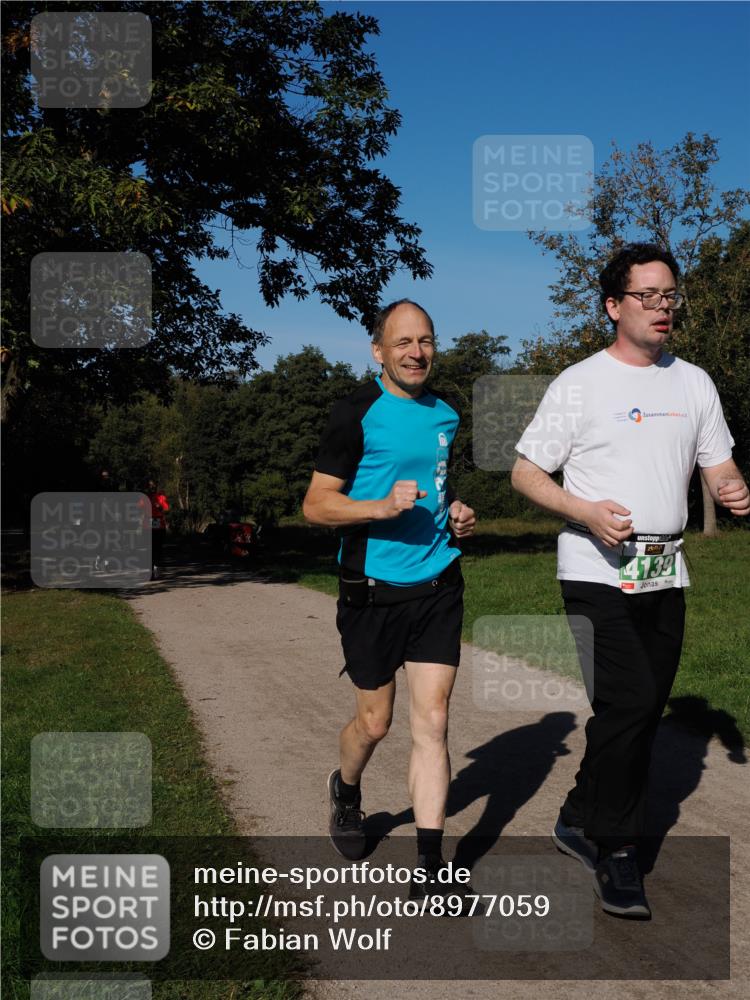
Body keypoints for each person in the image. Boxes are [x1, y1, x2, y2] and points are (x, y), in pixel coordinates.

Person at [511, 243, 749, 918]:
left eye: (669, 294)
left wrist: (732, 492)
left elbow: (718, 465)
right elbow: (526, 472)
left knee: (634, 707)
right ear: (614, 307)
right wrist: (583, 511)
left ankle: (580, 807)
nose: (661, 307)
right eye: (646, 295)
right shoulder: (579, 383)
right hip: (594, 568)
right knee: (634, 698)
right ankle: (614, 848)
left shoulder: (694, 383)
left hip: (664, 567)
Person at [303, 299, 476, 898]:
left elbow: (438, 488)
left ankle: (431, 869)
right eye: (402, 342)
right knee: (374, 724)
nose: (416, 352)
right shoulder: (356, 413)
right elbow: (316, 504)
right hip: (370, 592)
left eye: (425, 340)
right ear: (379, 351)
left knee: (433, 721)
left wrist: (454, 512)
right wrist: (378, 507)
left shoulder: (446, 415)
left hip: (437, 586)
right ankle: (347, 790)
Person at [143, 479, 169, 580]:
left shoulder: (161, 496)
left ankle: (156, 570)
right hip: (148, 525)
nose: (152, 488)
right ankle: (150, 572)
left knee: (158, 549)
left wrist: (160, 507)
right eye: (150, 486)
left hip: (159, 525)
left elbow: (166, 508)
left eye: (153, 486)